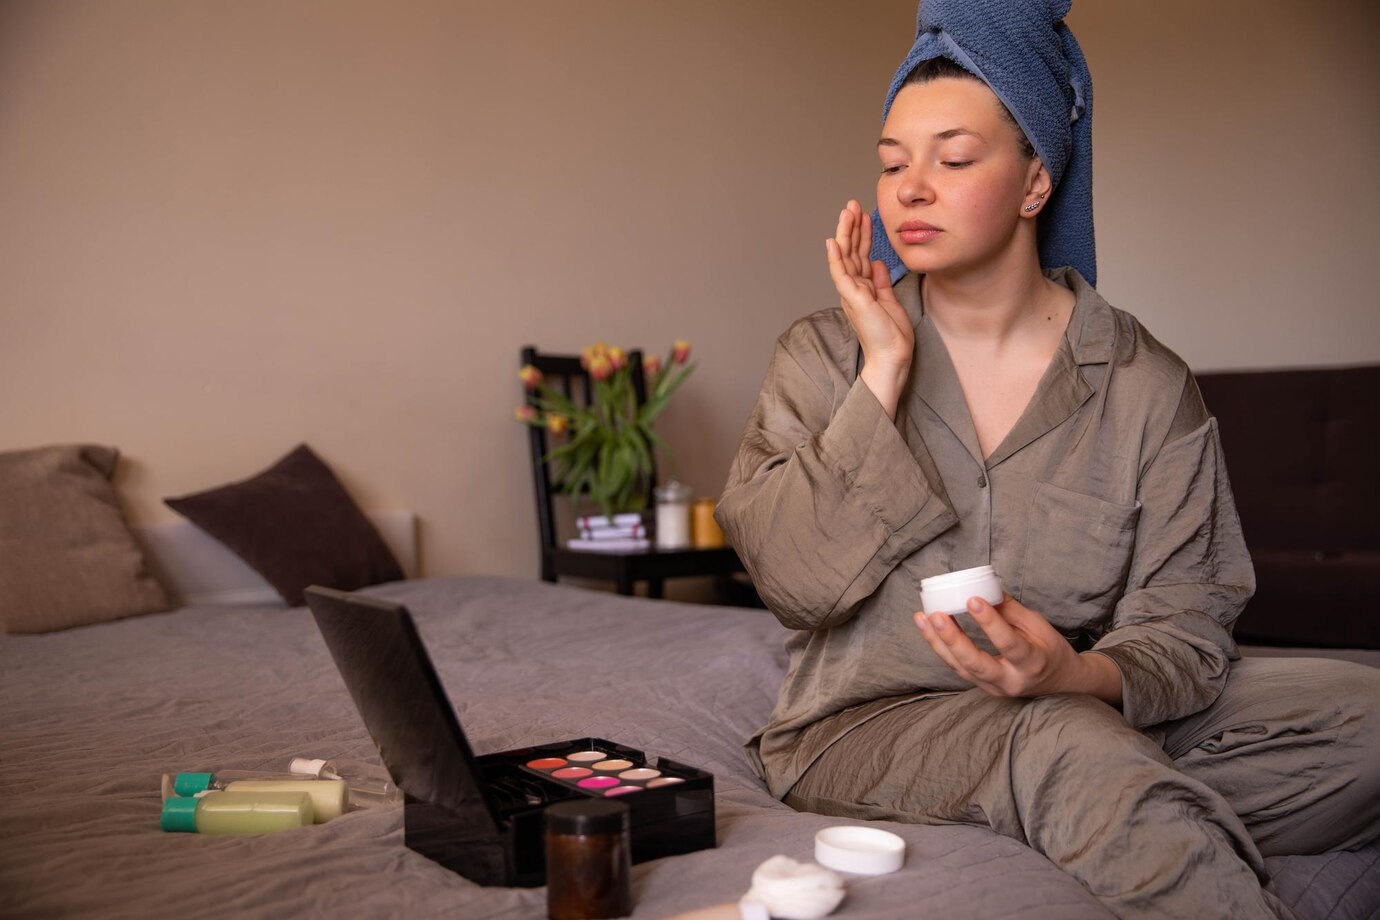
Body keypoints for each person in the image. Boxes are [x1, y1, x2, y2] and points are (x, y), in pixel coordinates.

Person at [714, 2, 1380, 918]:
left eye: (952, 160)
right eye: (892, 161)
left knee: (1365, 717)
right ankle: (1101, 798)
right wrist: (884, 368)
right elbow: (791, 581)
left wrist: (1072, 674)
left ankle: (1105, 804)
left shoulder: (1144, 384)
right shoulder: (825, 356)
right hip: (867, 730)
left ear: (1036, 184)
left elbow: (1187, 624)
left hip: (1086, 702)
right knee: (1064, 747)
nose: (909, 189)